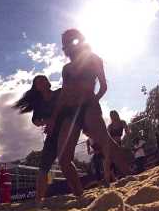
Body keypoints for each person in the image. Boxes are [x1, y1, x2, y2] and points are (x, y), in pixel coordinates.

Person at [46, 29, 131, 195]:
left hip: (88, 107)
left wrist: (94, 100)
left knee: (107, 144)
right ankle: (80, 196)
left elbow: (103, 86)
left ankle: (130, 176)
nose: (67, 47)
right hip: (69, 112)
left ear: (79, 40)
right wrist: (53, 119)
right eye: (64, 45)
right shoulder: (66, 68)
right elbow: (63, 95)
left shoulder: (93, 59)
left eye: (70, 41)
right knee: (63, 159)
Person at [13, 75, 62, 205]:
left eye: (44, 79)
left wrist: (54, 120)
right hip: (51, 135)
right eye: (39, 82)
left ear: (48, 82)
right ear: (36, 88)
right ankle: (38, 201)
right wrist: (46, 122)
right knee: (43, 168)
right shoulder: (39, 104)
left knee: (65, 162)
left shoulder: (60, 92)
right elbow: (35, 121)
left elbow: (69, 109)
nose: (43, 82)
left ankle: (79, 193)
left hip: (67, 130)